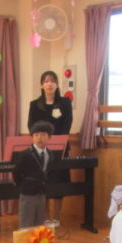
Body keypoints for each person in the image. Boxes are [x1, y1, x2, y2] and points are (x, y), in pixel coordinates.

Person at [27, 70, 73, 226]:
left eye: (52, 81)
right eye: (46, 81)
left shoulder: (65, 103)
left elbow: (67, 124)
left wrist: (57, 141)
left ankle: (57, 218)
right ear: (41, 85)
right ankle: (46, 217)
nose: (49, 84)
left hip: (61, 148)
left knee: (59, 183)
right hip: (41, 149)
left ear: (57, 84)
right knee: (43, 183)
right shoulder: (35, 104)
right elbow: (31, 126)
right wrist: (42, 140)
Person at [13, 121, 61, 228]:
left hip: (41, 192)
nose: (39, 138)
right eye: (36, 135)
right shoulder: (25, 154)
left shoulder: (50, 154)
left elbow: (51, 172)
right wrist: (22, 186)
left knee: (39, 223)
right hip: (27, 192)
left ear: (49, 137)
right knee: (26, 222)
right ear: (32, 138)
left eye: (43, 135)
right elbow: (16, 172)